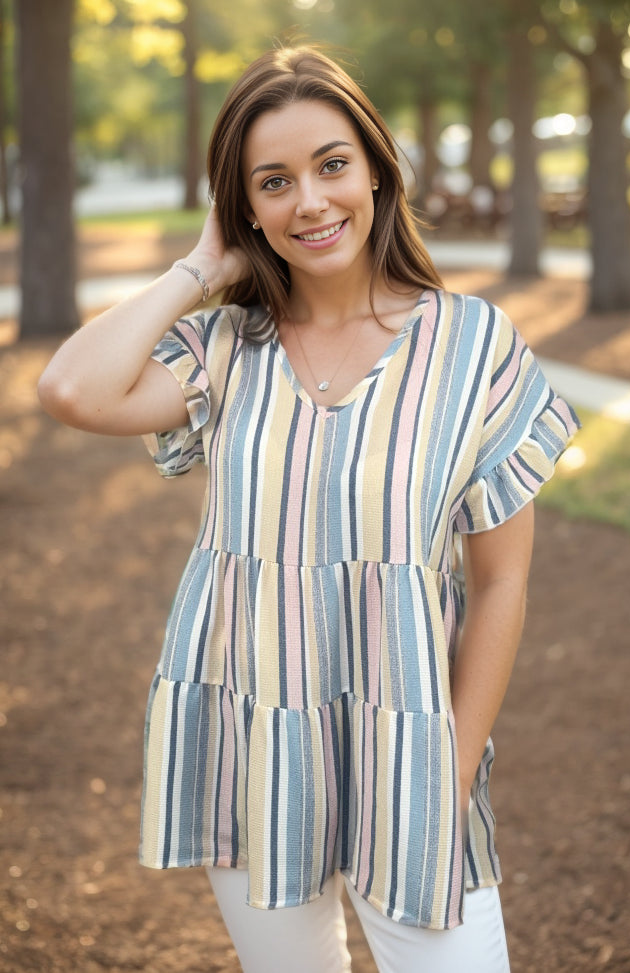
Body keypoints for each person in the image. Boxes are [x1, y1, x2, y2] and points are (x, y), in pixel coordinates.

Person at [38, 45, 579, 973]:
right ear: (243, 205)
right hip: (249, 743)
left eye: (331, 164)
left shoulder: (472, 345)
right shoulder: (225, 345)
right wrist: (199, 268)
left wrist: (449, 766)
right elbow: (72, 390)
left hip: (406, 743)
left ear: (373, 164)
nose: (312, 201)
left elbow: (500, 581)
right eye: (274, 181)